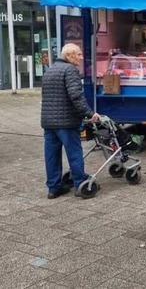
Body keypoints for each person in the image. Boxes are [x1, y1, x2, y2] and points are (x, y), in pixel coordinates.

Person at [41, 43, 100, 199]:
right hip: (66, 122)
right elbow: (76, 97)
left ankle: (53, 188)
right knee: (74, 153)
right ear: (70, 55)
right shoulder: (70, 70)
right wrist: (89, 114)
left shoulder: (50, 70)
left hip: (49, 122)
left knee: (51, 155)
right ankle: (80, 182)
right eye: (79, 55)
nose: (81, 58)